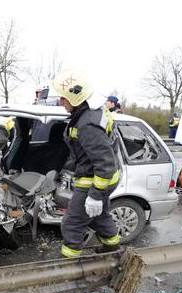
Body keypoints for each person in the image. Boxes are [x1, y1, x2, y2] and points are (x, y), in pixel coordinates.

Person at [52, 70, 122, 258]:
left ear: (76, 99)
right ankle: (113, 248)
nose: (61, 102)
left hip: (96, 179)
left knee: (73, 222)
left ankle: (69, 265)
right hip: (103, 176)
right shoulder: (93, 111)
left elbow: (104, 163)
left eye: (64, 98)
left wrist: (95, 195)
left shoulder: (87, 125)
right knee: (99, 217)